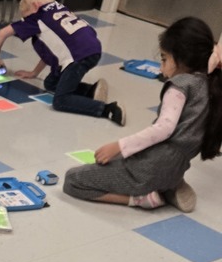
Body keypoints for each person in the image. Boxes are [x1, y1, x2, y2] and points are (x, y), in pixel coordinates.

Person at [64, 17, 222, 212]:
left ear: (182, 57)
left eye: (164, 59)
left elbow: (163, 129)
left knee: (73, 180)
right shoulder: (209, 83)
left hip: (154, 166)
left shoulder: (179, 86)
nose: (161, 68)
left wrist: (118, 146)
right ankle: (169, 186)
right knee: (119, 164)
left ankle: (141, 199)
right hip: (177, 167)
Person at [0, 0, 125, 125]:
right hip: (92, 48)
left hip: (77, 57)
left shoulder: (37, 17)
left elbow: (2, 33)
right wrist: (34, 73)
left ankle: (108, 110)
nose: (26, 20)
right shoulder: (60, 9)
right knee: (50, 83)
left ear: (35, 6)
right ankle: (91, 91)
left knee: (60, 100)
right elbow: (50, 51)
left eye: (26, 15)